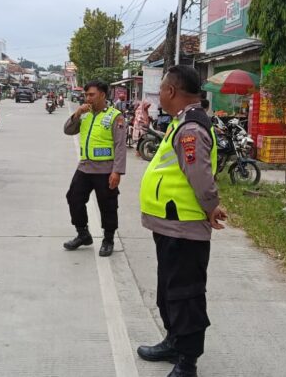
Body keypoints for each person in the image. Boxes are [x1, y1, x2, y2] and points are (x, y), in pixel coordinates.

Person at [136, 65, 227, 377]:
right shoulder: (181, 122)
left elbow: (199, 174)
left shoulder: (190, 128)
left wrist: (211, 206)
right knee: (168, 290)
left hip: (184, 226)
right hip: (170, 223)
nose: (159, 95)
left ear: (171, 91)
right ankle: (174, 342)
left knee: (185, 295)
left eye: (161, 89)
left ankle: (187, 363)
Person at [62, 80, 127, 257]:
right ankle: (83, 234)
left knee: (108, 205)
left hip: (105, 170)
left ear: (102, 95)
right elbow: (68, 130)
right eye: (86, 95)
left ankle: (108, 239)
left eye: (91, 94)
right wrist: (77, 113)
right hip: (84, 167)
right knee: (73, 198)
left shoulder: (115, 116)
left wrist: (117, 171)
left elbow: (120, 146)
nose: (87, 98)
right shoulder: (84, 114)